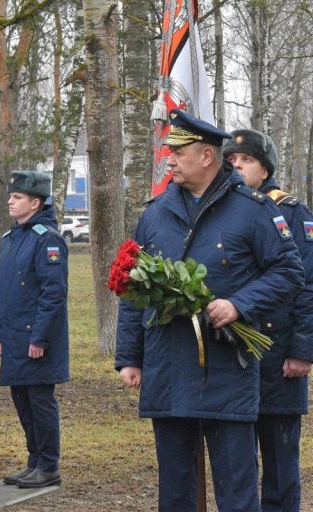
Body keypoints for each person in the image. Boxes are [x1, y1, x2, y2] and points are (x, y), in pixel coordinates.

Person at [115, 109, 305, 512]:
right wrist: (130, 357)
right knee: (176, 487)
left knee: (236, 487)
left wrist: (240, 304)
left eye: (177, 152)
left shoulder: (253, 210)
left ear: (206, 156)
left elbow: (290, 272)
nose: (168, 159)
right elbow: (133, 286)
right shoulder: (155, 212)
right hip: (168, 365)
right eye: (168, 151)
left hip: (226, 366)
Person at [223, 129, 313, 512]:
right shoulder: (224, 210)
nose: (237, 168)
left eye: (246, 161)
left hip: (280, 353)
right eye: (231, 162)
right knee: (236, 460)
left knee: (279, 456)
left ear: (265, 168)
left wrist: (303, 350)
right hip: (234, 350)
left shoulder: (292, 212)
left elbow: (307, 284)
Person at [0, 171, 69, 489]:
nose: (10, 201)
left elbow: (53, 294)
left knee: (39, 401)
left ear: (35, 203)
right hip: (13, 336)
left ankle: (49, 465)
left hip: (36, 340)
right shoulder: (12, 239)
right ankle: (35, 460)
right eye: (11, 196)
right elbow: (2, 291)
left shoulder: (46, 238)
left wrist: (39, 338)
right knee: (22, 400)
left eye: (17, 197)